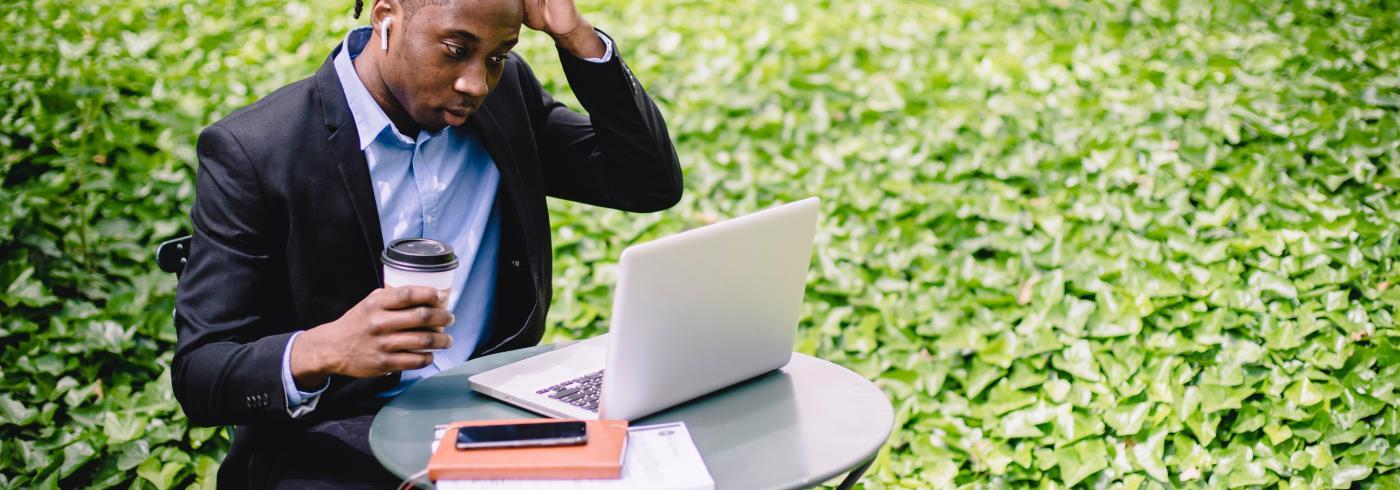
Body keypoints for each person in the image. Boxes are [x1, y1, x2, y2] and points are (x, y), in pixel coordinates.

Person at [170, 0, 683, 486]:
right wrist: (323, 349)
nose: (476, 83)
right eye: (456, 50)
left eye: (498, 56)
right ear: (387, 17)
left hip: (494, 413)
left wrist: (575, 36)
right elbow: (201, 373)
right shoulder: (258, 150)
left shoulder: (504, 101)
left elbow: (647, 181)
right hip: (336, 437)